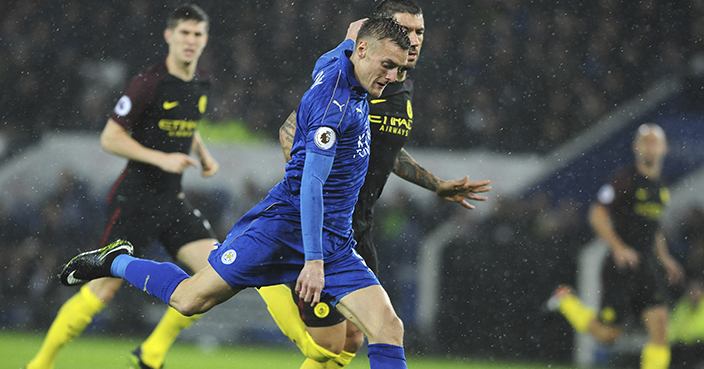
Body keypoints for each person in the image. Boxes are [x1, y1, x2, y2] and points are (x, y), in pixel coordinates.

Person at [59, 15, 412, 369]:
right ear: (363, 51)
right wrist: (314, 262)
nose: (393, 77)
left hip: (334, 239)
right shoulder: (331, 108)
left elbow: (353, 31)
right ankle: (116, 261)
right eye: (387, 66)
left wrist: (379, 24)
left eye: (398, 68)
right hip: (281, 230)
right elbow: (312, 184)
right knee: (189, 300)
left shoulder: (337, 60)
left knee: (387, 327)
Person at [257, 1, 492, 368]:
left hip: (361, 225)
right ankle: (270, 281)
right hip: (329, 225)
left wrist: (436, 185)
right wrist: (311, 190)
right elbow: (291, 130)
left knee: (354, 338)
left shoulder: (398, 87)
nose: (413, 40)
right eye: (404, 31)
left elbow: (385, 150)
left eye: (419, 32)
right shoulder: (353, 80)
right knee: (327, 344)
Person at [26, 4, 219, 369]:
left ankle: (152, 353)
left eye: (197, 34)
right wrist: (161, 159)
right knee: (104, 287)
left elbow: (184, 123)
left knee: (216, 277)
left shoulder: (201, 82)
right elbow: (111, 138)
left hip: (172, 200)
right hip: (135, 199)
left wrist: (203, 155)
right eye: (184, 33)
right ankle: (39, 363)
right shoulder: (148, 82)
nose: (191, 40)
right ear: (169, 36)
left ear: (205, 38)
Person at [545, 123, 684, 369]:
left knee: (660, 327)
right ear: (636, 147)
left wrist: (665, 258)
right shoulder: (625, 179)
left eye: (655, 142)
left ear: (664, 148)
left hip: (647, 266)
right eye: (646, 142)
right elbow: (596, 214)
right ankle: (565, 299)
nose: (651, 147)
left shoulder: (660, 186)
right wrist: (619, 247)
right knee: (608, 334)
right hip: (620, 267)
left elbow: (653, 228)